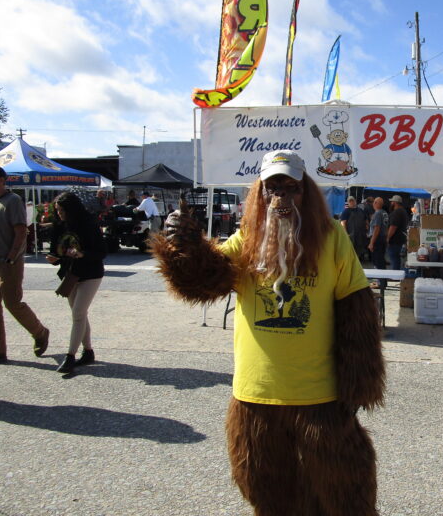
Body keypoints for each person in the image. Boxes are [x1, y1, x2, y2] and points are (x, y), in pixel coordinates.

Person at [151, 150, 385, 515]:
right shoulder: (247, 238)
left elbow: (357, 314)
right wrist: (184, 246)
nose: (281, 199)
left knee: (343, 493)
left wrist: (359, 385)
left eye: (291, 189)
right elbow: (204, 280)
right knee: (267, 493)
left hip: (319, 397)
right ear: (259, 195)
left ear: (306, 193)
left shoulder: (331, 240)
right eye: (272, 189)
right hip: (256, 396)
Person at [0, 165, 49, 368]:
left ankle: (40, 332)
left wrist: (12, 256)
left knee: (13, 303)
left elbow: (21, 231)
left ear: (1, 180)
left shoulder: (13, 200)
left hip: (7, 262)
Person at [46, 192, 107, 374]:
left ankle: (70, 356)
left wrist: (83, 254)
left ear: (71, 209)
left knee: (78, 313)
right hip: (71, 274)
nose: (59, 214)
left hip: (91, 272)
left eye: (62, 210)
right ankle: (88, 351)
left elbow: (102, 252)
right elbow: (56, 251)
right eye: (57, 210)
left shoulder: (88, 224)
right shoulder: (59, 226)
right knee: (79, 313)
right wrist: (54, 258)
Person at [387, 194, 408, 271]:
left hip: (395, 240)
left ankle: (395, 276)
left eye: (392, 202)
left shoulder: (396, 213)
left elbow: (393, 227)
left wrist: (387, 238)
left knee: (394, 260)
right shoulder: (403, 211)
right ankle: (397, 275)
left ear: (395, 203)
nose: (390, 203)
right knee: (397, 260)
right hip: (401, 239)